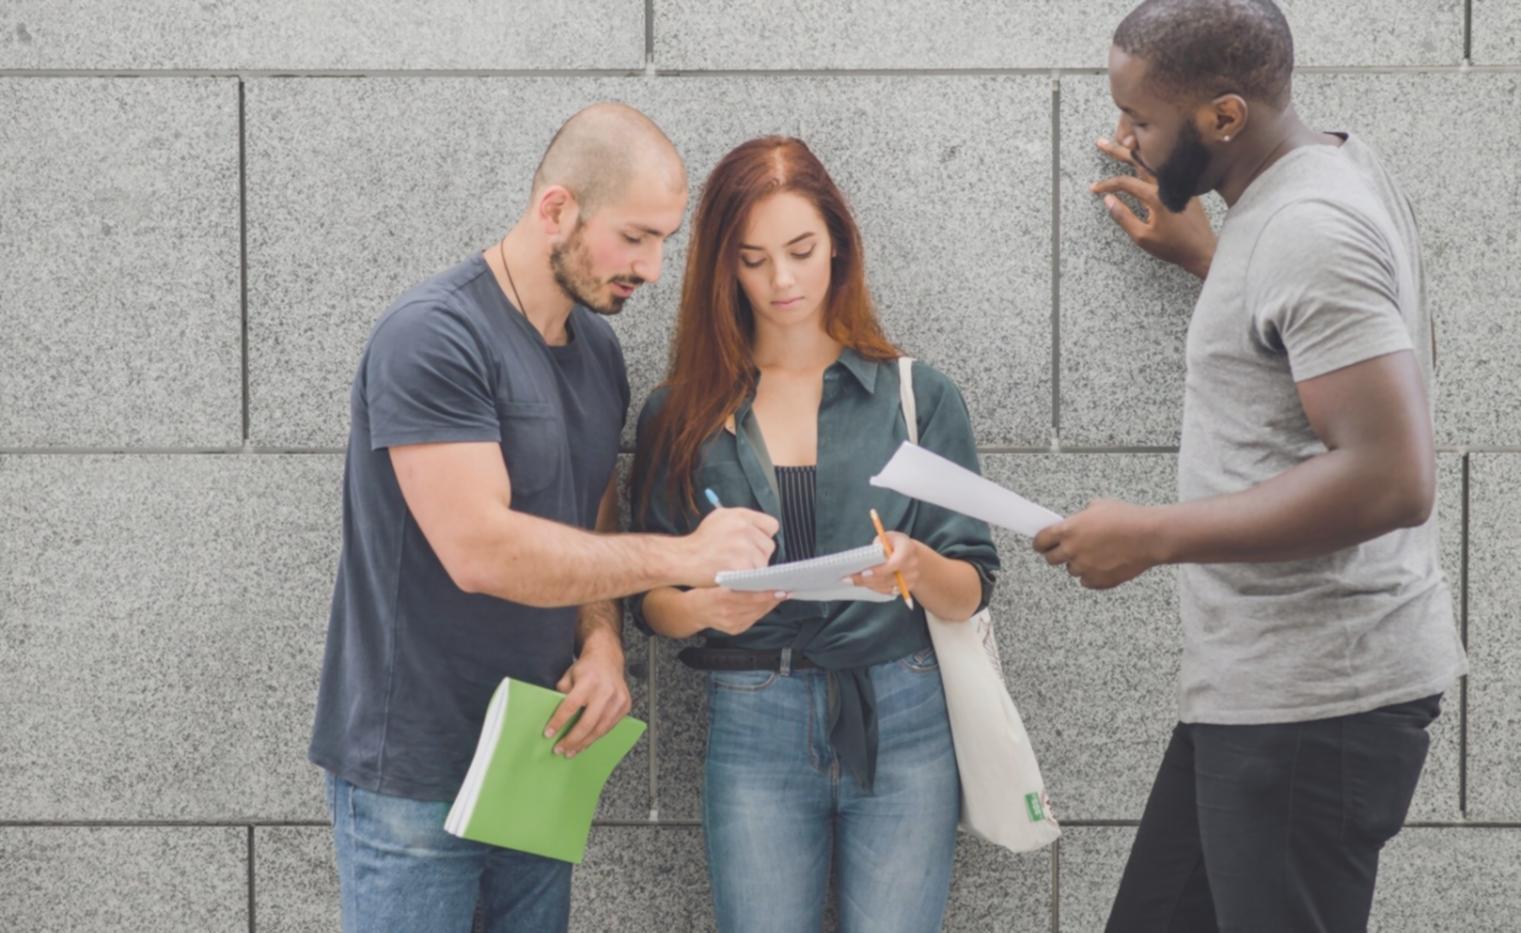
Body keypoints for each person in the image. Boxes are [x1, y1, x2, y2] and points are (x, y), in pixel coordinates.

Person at [1034, 2, 1468, 930]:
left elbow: (1392, 474)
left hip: (1313, 705)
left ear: (1224, 118)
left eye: (1141, 121)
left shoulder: (1307, 228)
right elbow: (1325, 352)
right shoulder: (1320, 178)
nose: (1123, 140)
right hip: (1257, 697)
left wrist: (1149, 536)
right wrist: (1215, 260)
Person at [307, 102, 780, 933]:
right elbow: (481, 550)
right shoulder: (434, 337)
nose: (654, 267)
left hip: (534, 755)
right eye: (635, 237)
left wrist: (599, 641)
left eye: (665, 240)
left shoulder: (595, 349)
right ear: (556, 209)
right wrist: (683, 556)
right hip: (413, 774)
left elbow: (588, 502)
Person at [631, 136, 1000, 933]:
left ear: (838, 241)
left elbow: (973, 581)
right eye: (753, 259)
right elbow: (649, 598)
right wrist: (703, 609)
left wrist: (913, 565)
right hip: (753, 712)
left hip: (901, 706)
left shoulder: (915, 395)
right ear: (721, 268)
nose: (783, 281)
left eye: (801, 250)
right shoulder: (679, 414)